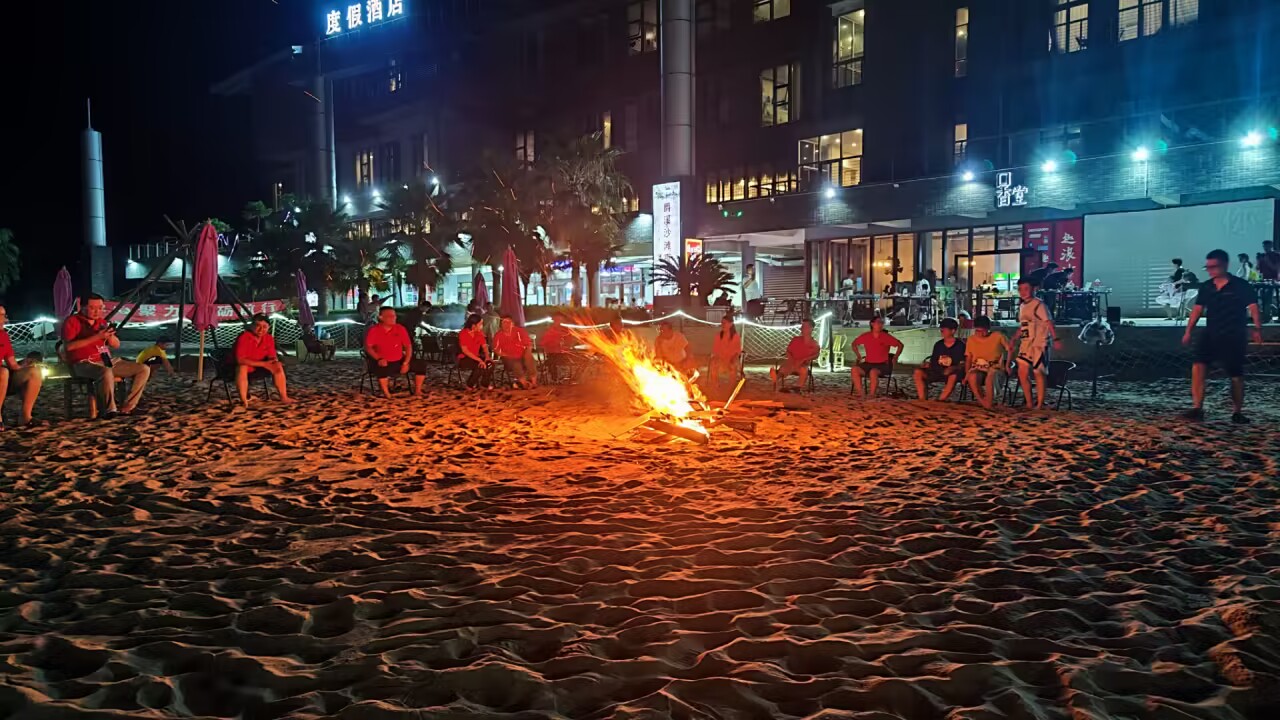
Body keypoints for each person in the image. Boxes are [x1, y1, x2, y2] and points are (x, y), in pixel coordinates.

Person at [1182, 249, 1264, 424]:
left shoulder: (1241, 286)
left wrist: (1257, 329)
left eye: (1214, 266)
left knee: (1235, 373)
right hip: (1211, 332)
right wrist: (1188, 331)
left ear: (1224, 265)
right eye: (1208, 267)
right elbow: (1198, 309)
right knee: (1198, 366)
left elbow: (1253, 307)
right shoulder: (1206, 286)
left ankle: (1237, 411)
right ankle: (1197, 407)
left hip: (1234, 334)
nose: (1211, 270)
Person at [62, 294, 150, 417]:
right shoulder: (72, 321)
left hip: (106, 360)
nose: (97, 311)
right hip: (83, 363)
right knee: (105, 372)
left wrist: (110, 335)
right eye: (92, 308)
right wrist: (97, 337)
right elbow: (69, 347)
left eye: (100, 308)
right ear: (82, 307)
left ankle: (129, 406)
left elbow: (116, 345)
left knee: (143, 369)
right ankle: (110, 410)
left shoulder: (102, 322)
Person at [1011, 278, 1063, 410]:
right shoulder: (1022, 306)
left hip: (1039, 343)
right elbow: (1023, 325)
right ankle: (1029, 402)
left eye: (1026, 288)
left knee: (1038, 372)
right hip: (1026, 343)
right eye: (1020, 289)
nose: (1023, 292)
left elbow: (1048, 322)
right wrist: (1014, 338)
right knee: (1022, 372)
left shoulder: (1039, 305)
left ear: (1034, 289)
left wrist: (1055, 339)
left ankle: (1039, 404)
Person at [233, 314, 292, 408]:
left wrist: (274, 360)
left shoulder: (268, 338)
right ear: (252, 326)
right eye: (258, 326)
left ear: (268, 327)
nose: (261, 329)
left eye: (264, 327)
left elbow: (271, 356)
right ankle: (244, 401)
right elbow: (240, 360)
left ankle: (284, 397)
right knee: (242, 367)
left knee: (277, 365)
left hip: (260, 366)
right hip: (242, 367)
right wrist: (264, 364)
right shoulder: (244, 337)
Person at [0, 303, 44, 429]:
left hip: (3, 378)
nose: (4, 319)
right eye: (0, 316)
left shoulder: (3, 335)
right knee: (3, 372)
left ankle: (26, 416)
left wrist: (24, 364)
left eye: (4, 315)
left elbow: (12, 364)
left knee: (34, 371)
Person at [365, 306, 425, 397]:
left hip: (399, 360)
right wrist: (378, 358)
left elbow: (408, 346)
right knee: (381, 367)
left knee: (421, 364)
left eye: (394, 316)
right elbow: (368, 347)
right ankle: (386, 393)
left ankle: (418, 390)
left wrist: (406, 362)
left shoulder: (400, 329)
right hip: (383, 360)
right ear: (381, 317)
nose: (393, 318)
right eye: (390, 316)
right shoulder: (374, 330)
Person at [850, 315, 904, 398]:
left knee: (873, 372)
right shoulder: (866, 336)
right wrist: (858, 356)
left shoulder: (885, 336)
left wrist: (895, 357)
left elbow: (900, 345)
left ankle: (872, 394)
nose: (880, 325)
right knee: (854, 370)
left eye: (881, 323)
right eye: (878, 322)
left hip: (882, 365)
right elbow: (854, 344)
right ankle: (861, 393)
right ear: (872, 324)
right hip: (868, 363)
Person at [965, 315, 1011, 409]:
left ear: (988, 329)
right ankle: (983, 402)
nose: (980, 334)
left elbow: (1010, 350)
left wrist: (1007, 365)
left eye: (983, 331)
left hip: (994, 366)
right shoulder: (971, 339)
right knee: (972, 376)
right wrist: (967, 372)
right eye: (978, 331)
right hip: (978, 366)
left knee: (991, 375)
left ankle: (988, 402)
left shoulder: (998, 336)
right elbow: (968, 357)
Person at [914, 317, 965, 401]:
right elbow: (934, 360)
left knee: (953, 376)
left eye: (944, 329)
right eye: (941, 329)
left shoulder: (960, 345)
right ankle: (922, 399)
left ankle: (941, 400)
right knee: (918, 372)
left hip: (952, 372)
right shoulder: (938, 345)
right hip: (937, 371)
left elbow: (963, 363)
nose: (942, 331)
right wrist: (928, 364)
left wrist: (953, 368)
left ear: (953, 331)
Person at [770, 318, 820, 391]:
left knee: (803, 370)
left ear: (810, 329)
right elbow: (788, 351)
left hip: (802, 364)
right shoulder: (795, 339)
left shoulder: (814, 343)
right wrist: (792, 360)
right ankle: (776, 378)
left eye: (804, 327)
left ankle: (797, 387)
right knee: (784, 368)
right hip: (792, 362)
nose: (801, 329)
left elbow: (816, 355)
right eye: (802, 326)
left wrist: (804, 359)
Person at [493, 314, 538, 389]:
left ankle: (533, 382)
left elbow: (528, 344)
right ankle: (524, 383)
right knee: (515, 363)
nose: (506, 325)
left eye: (508, 322)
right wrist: (504, 355)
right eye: (504, 322)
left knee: (529, 358)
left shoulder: (519, 331)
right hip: (509, 358)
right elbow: (496, 349)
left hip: (522, 355)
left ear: (512, 324)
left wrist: (527, 352)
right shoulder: (498, 335)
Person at [458, 314, 494, 390]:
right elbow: (465, 351)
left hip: (476, 356)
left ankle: (484, 384)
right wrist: (479, 360)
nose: (482, 326)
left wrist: (487, 357)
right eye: (480, 324)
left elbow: (484, 346)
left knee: (490, 364)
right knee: (479, 365)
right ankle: (469, 385)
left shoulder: (479, 333)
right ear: (474, 325)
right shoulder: (463, 333)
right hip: (464, 358)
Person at [539, 312, 577, 383]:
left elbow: (570, 342)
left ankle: (567, 378)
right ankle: (555, 378)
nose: (558, 322)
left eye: (560, 320)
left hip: (564, 354)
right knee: (553, 361)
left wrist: (567, 345)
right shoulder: (549, 331)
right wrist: (552, 344)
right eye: (557, 320)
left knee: (577, 359)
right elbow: (542, 343)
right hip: (552, 354)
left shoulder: (566, 331)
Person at [709, 314, 743, 391]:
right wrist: (715, 358)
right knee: (714, 364)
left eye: (725, 323)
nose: (722, 325)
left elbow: (737, 351)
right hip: (721, 359)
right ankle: (715, 386)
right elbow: (715, 350)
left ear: (730, 324)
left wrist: (732, 359)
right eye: (722, 323)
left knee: (733, 365)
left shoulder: (735, 336)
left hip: (731, 359)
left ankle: (731, 388)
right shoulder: (718, 336)